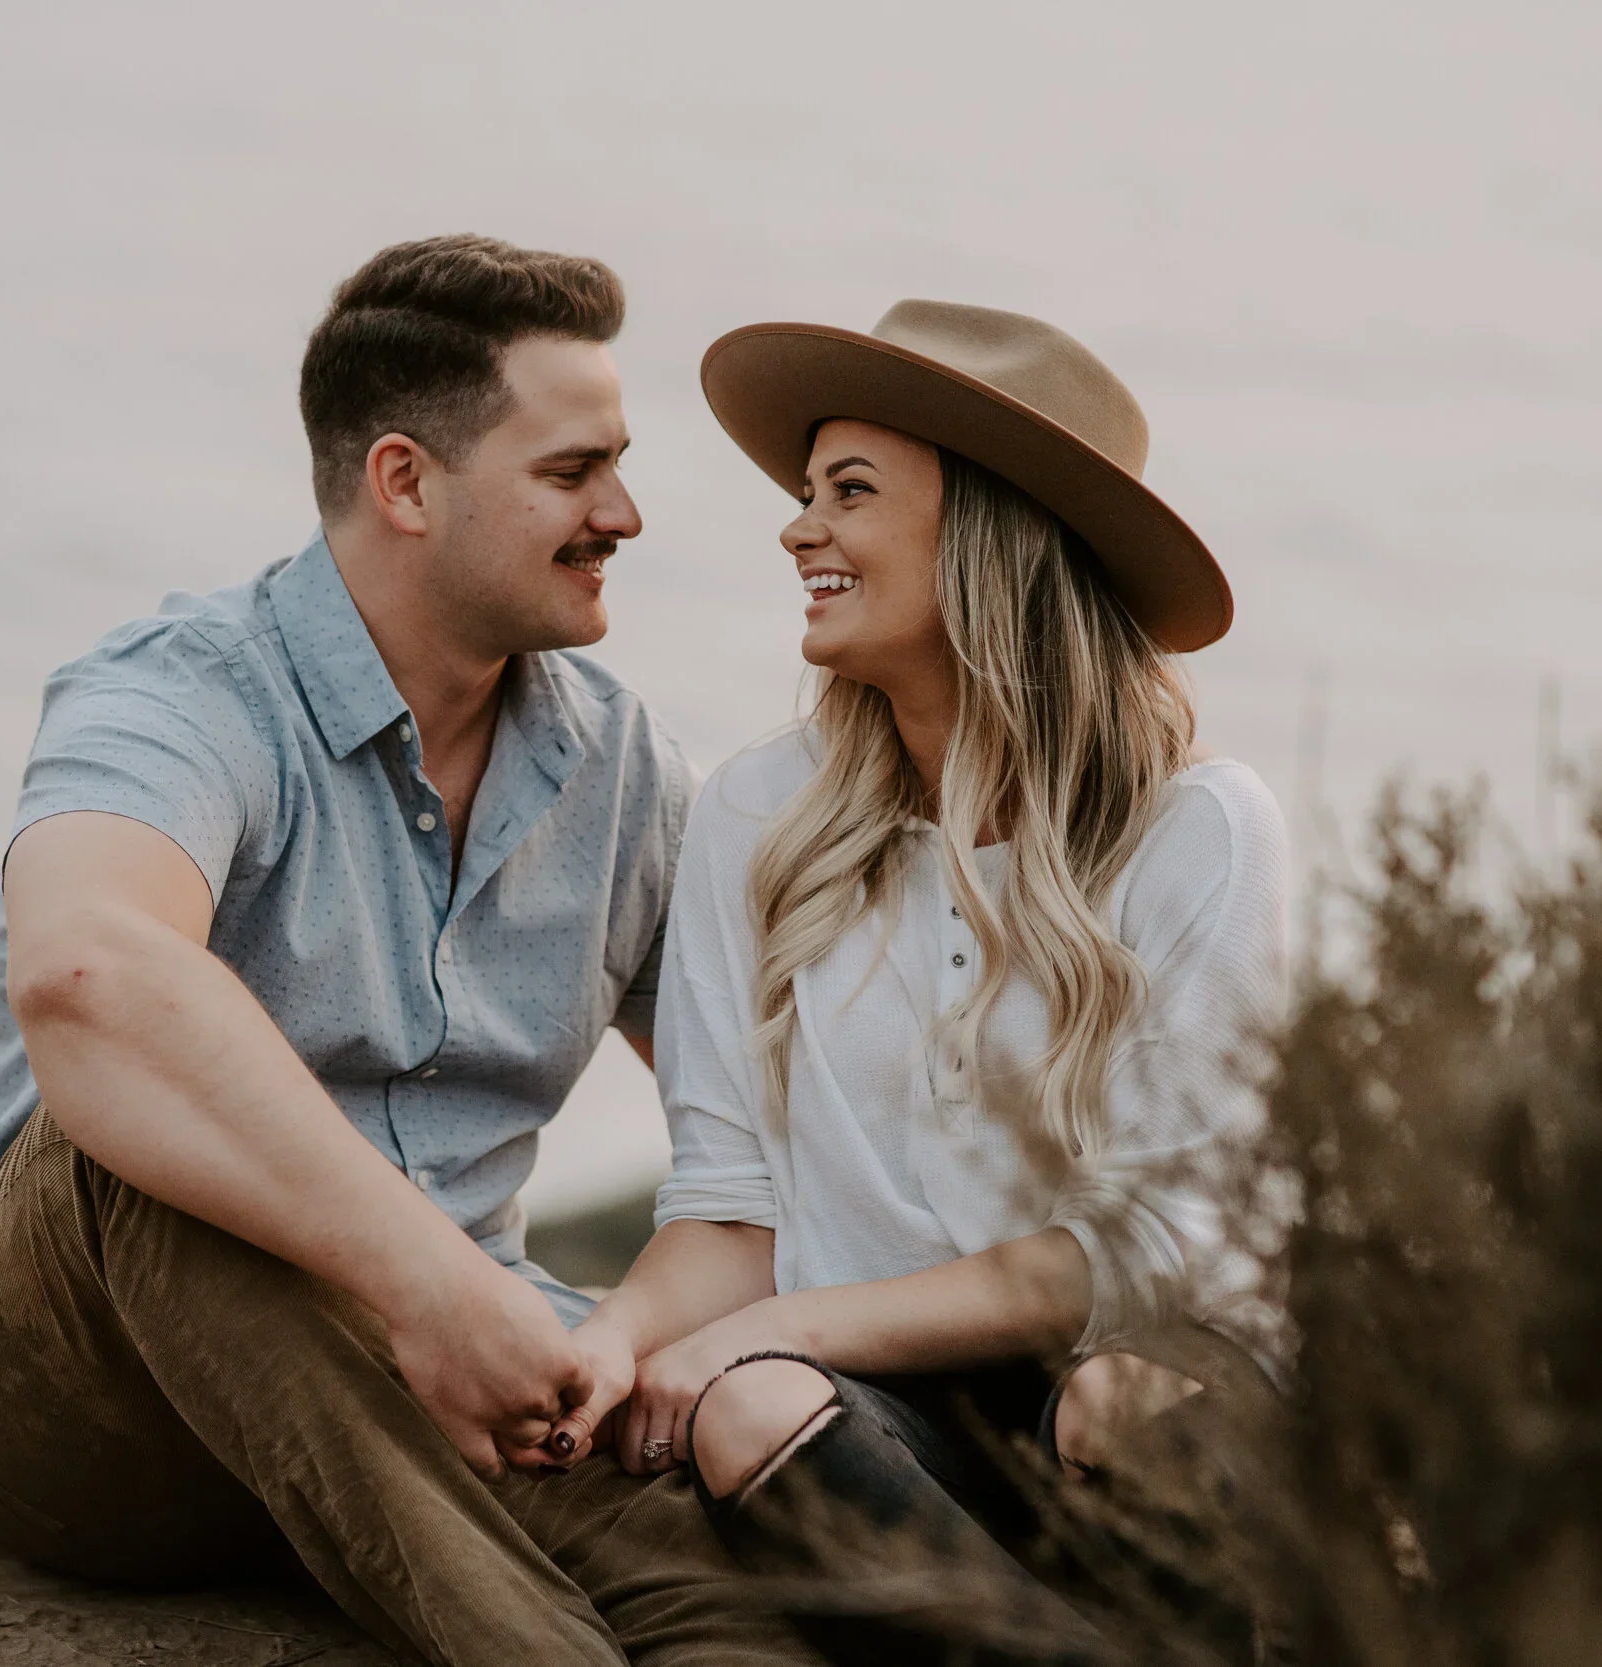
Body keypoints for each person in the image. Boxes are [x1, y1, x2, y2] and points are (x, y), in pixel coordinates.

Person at [0, 235, 807, 1667]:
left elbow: (764, 1141)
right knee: (139, 1131)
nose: (626, 511)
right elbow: (89, 975)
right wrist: (437, 1284)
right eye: (572, 472)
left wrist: (607, 1340)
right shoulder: (179, 692)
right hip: (79, 1395)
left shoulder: (622, 775)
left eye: (617, 464)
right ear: (406, 482)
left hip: (418, 1405)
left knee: (742, 1595)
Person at [541, 302, 1289, 1662]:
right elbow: (728, 1208)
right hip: (888, 1411)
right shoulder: (759, 817)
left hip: (1148, 1375)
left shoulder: (1201, 828)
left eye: (850, 492)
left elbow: (1139, 1249)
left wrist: (783, 1322)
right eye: (806, 490)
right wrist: (619, 1344)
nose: (796, 529)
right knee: (747, 1407)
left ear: (989, 533)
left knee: (1109, 1403)